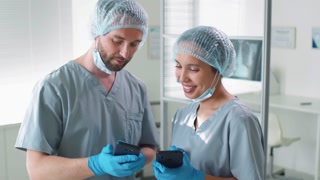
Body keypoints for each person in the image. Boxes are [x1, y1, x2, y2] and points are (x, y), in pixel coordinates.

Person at [15, 0, 159, 179]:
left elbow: (149, 147)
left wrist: (141, 158)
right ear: (97, 32)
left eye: (134, 44)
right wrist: (95, 164)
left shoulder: (136, 88)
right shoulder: (55, 87)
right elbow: (37, 170)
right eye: (117, 41)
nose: (125, 53)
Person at [152, 26, 265, 180]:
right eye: (178, 66)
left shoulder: (239, 120)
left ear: (218, 70)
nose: (181, 77)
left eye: (193, 69)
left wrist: (196, 177)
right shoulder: (181, 116)